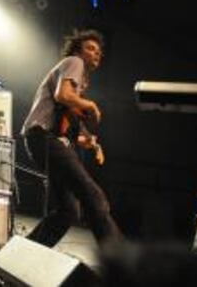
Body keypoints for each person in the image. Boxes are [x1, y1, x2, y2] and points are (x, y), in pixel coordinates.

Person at [21, 29, 122, 248]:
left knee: (68, 211)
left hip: (44, 140)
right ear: (78, 50)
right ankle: (122, 265)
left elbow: (66, 125)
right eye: (90, 48)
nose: (96, 54)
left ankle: (25, 253)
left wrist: (86, 141)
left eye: (98, 51)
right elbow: (62, 95)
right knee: (93, 197)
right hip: (43, 137)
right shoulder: (75, 62)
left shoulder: (80, 80)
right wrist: (90, 105)